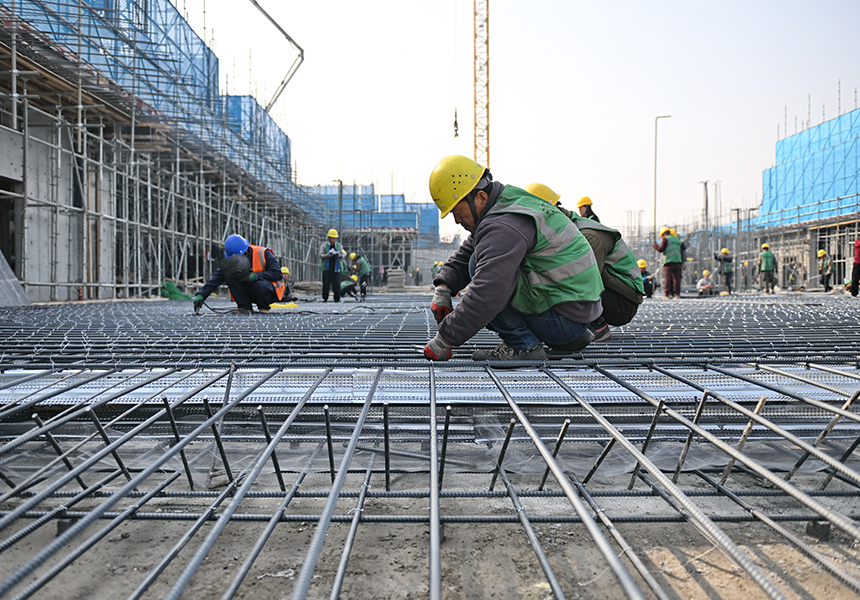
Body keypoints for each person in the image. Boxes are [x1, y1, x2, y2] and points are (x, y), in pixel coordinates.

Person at [423, 155, 603, 362]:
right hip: (579, 312)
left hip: (564, 320)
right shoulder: (510, 203)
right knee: (481, 259)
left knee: (483, 271)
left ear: (480, 197)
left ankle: (524, 346)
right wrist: (444, 287)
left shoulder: (503, 225)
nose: (456, 220)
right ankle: (570, 339)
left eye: (457, 210)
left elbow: (487, 293)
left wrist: (444, 339)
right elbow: (470, 247)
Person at [524, 183, 643, 342]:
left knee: (571, 274)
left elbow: (585, 279)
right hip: (613, 291)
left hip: (622, 301)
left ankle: (596, 325)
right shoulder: (567, 230)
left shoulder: (588, 236)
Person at [192, 234, 285, 314]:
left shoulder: (263, 253)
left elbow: (277, 274)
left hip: (267, 292)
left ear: (245, 253)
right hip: (250, 291)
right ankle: (245, 307)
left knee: (261, 284)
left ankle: (263, 308)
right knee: (228, 275)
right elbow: (217, 278)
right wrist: (202, 294)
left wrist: (256, 276)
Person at [653, 227, 683, 298]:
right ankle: (677, 294)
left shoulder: (666, 239)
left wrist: (655, 245)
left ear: (663, 234)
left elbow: (661, 249)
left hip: (669, 262)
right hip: (678, 261)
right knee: (677, 279)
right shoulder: (677, 240)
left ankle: (667, 294)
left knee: (668, 279)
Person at [320, 228, 345, 302]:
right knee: (326, 284)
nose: (333, 240)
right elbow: (320, 255)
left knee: (336, 284)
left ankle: (337, 298)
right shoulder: (324, 245)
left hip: (336, 268)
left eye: (335, 238)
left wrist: (339, 255)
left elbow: (343, 254)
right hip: (327, 268)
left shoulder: (339, 246)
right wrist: (327, 255)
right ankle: (325, 297)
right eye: (332, 238)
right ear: (329, 238)